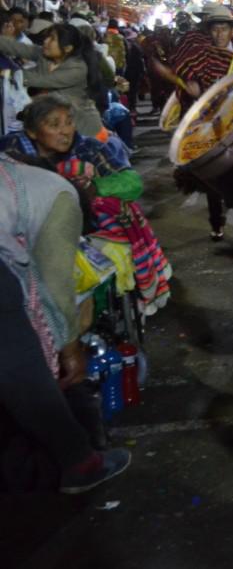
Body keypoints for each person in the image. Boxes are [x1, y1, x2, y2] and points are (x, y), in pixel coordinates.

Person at [0, 151, 132, 494]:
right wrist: (69, 345)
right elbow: (56, 284)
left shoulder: (16, 181)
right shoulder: (58, 194)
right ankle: (81, 463)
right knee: (22, 361)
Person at [1, 94, 171, 315]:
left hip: (84, 232)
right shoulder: (11, 152)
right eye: (54, 125)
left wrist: (95, 187)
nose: (65, 131)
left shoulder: (87, 148)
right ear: (32, 131)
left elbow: (132, 183)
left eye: (69, 122)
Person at [165, 4, 233, 242]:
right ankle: (217, 223)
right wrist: (190, 87)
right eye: (215, 29)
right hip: (211, 127)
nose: (219, 34)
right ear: (210, 31)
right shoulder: (200, 56)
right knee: (214, 179)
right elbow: (183, 74)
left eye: (224, 29)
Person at [0, 21, 107, 138]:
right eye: (48, 37)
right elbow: (17, 47)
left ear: (67, 48)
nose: (46, 41)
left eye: (52, 39)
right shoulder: (45, 56)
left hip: (81, 128)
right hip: (53, 122)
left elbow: (40, 80)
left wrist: (8, 73)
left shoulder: (77, 68)